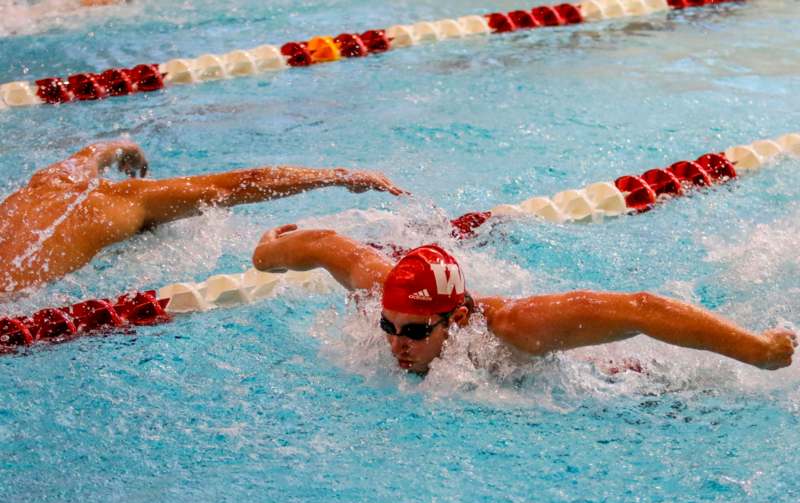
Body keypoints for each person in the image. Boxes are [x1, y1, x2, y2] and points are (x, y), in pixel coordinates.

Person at [252, 224, 797, 374]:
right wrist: (267, 251)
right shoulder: (388, 290)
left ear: (457, 317)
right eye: (389, 327)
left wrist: (760, 351)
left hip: (607, 372)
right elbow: (327, 246)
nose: (398, 343)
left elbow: (641, 308)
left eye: (417, 332)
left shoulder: (516, 326)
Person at [0, 140, 404, 293]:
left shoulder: (46, 182)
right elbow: (246, 183)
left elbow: (91, 154)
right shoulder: (129, 200)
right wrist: (337, 176)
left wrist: (121, 148)